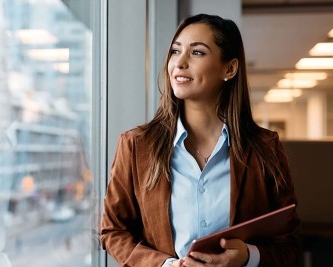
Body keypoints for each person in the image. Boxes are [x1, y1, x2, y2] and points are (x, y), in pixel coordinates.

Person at [100, 14, 300, 267]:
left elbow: (290, 243)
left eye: (197, 53)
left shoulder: (264, 148)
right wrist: (165, 266)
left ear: (229, 69)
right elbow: (112, 230)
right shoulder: (136, 145)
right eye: (175, 51)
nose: (179, 63)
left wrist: (247, 256)